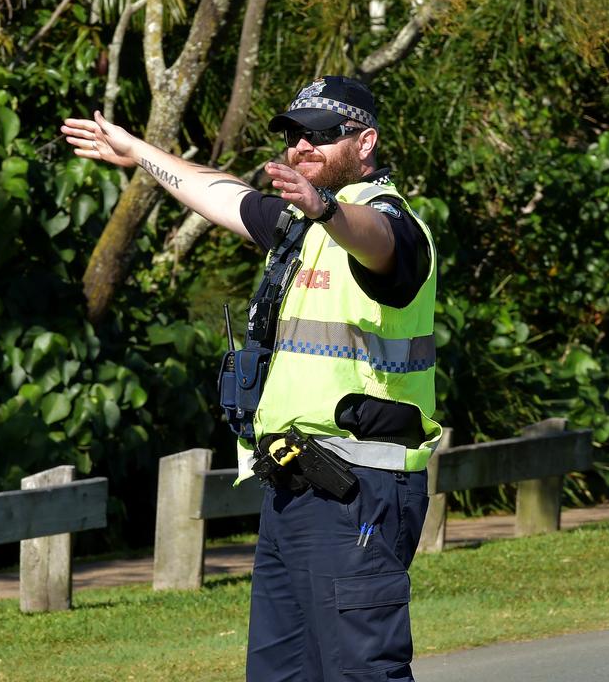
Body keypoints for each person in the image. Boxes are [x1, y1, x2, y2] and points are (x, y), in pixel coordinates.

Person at [62, 75, 440, 682]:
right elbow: (223, 193)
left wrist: (327, 210)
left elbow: (377, 243)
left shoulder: (389, 225)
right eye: (293, 137)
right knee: (280, 674)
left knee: (360, 672)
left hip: (357, 492)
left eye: (320, 137)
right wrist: (138, 151)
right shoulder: (297, 229)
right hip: (291, 486)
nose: (301, 149)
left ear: (365, 143)